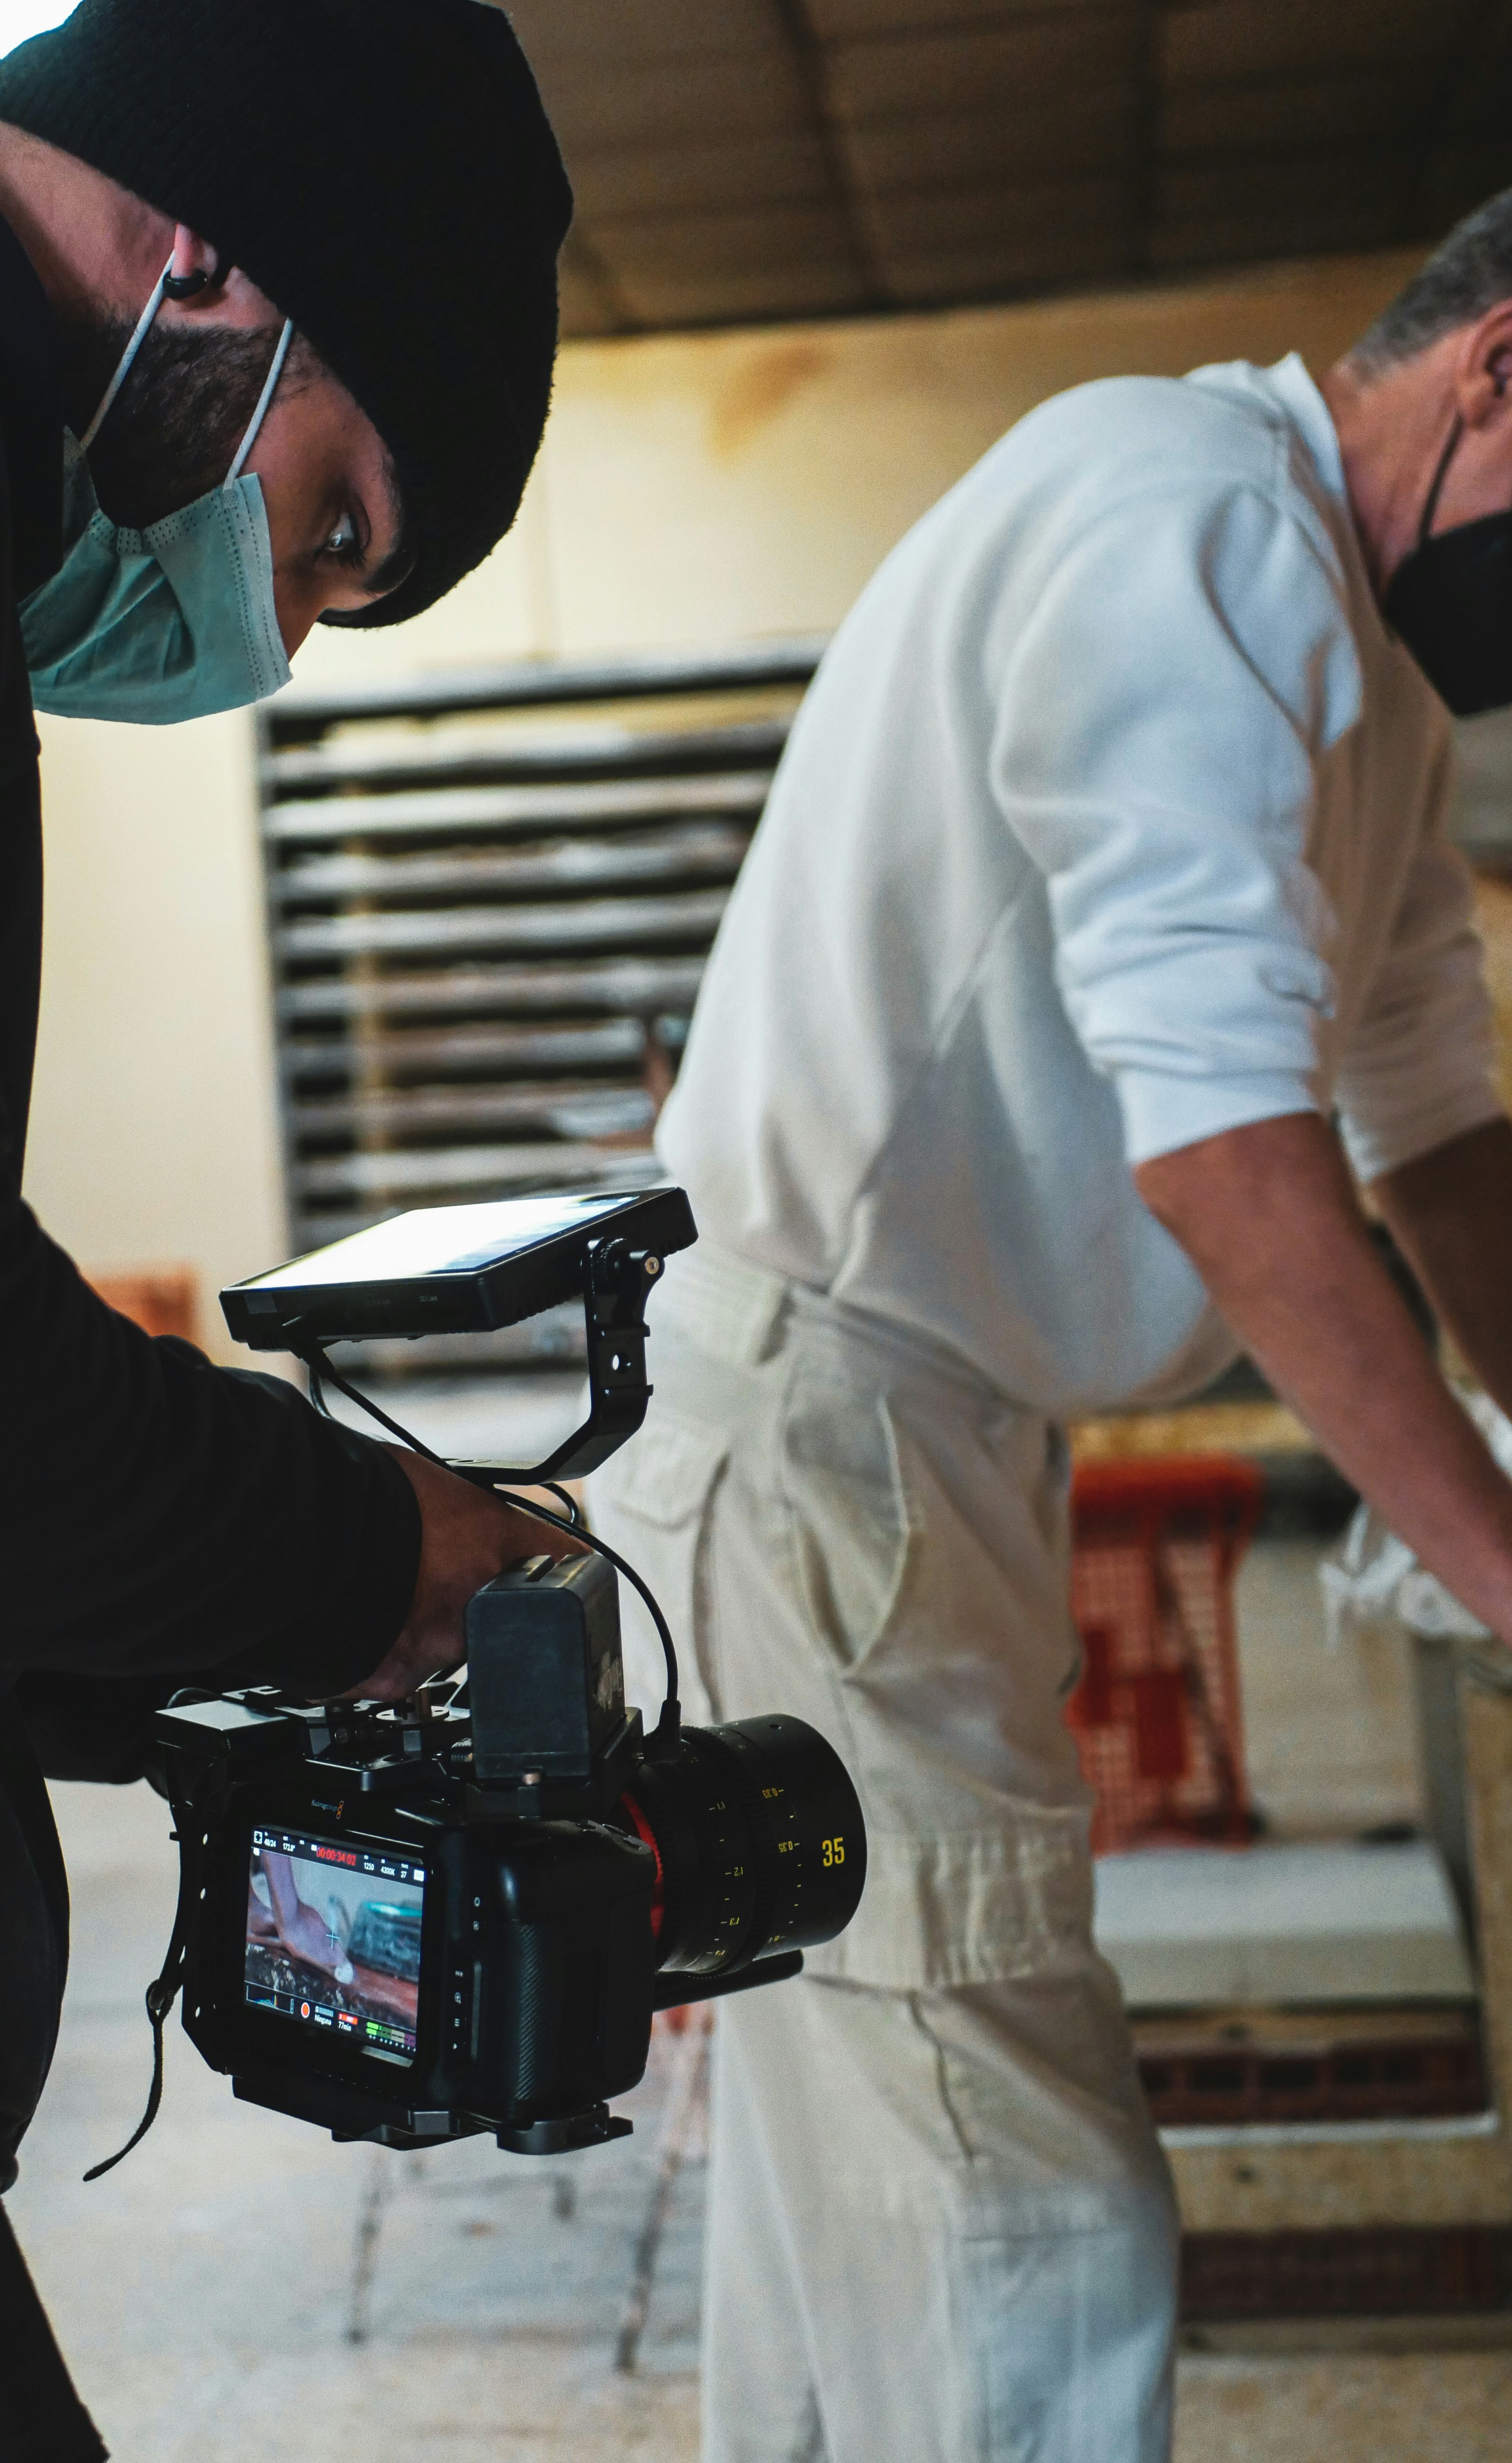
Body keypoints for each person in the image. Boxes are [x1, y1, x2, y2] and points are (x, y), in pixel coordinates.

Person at [0, 2, 571, 2454]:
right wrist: (375, 1553)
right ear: (219, 266)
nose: (271, 623)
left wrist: (128, 1653)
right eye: (335, 521)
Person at [589, 192, 1512, 2463]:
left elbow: (1434, 1125)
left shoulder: (1360, 680)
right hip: (828, 1431)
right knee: (1028, 2230)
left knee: (871, 2203)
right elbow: (1227, 1148)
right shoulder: (1193, 525)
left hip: (918, 1436)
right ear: (1499, 368)